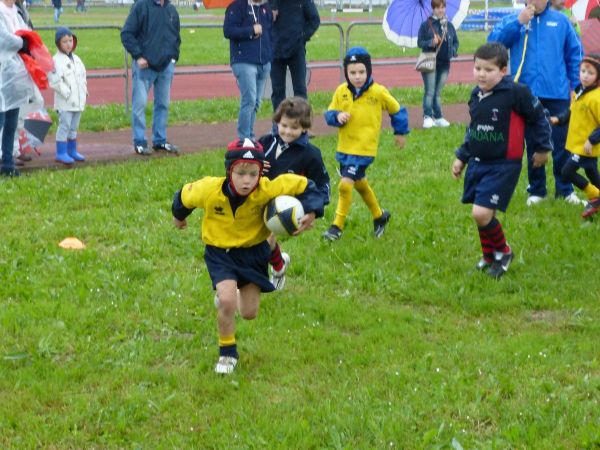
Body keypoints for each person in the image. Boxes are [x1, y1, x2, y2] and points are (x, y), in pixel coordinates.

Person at [171, 138, 325, 374]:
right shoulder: (209, 189)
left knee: (249, 313)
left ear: (260, 172)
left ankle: (233, 293)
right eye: (241, 173)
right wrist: (179, 216)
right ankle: (227, 353)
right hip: (220, 253)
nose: (247, 180)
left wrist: (313, 210)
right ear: (229, 170)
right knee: (226, 301)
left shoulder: (267, 189)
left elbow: (306, 186)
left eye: (253, 174)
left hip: (254, 253)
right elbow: (184, 196)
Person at [451, 43, 553, 278]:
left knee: (480, 213)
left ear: (503, 70)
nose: (481, 74)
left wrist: (542, 148)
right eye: (477, 68)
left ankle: (504, 252)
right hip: (478, 162)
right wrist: (462, 156)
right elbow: (474, 129)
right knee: (485, 214)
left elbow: (539, 118)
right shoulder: (475, 95)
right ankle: (489, 256)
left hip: (503, 165)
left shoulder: (517, 93)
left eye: (488, 70)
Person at [488, 0, 583, 206]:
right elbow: (493, 46)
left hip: (557, 93)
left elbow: (574, 55)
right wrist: (518, 23)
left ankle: (565, 189)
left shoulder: (561, 22)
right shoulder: (514, 20)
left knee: (561, 142)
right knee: (533, 142)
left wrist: (578, 87)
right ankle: (537, 189)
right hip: (527, 95)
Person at [322, 47, 409, 242]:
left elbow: (397, 109)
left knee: (345, 185)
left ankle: (336, 226)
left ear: (368, 70)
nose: (357, 76)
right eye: (352, 72)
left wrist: (400, 132)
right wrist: (337, 116)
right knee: (359, 184)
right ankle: (379, 216)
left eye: (361, 72)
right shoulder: (341, 91)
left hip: (364, 149)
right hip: (345, 148)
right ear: (346, 72)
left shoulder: (378, 92)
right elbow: (329, 114)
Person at [258, 97, 330, 290]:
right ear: (277, 122)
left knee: (262, 241)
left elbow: (322, 186)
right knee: (258, 240)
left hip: (286, 210)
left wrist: (312, 211)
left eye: (294, 128)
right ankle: (279, 264)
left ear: (305, 128)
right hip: (259, 201)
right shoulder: (264, 143)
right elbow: (242, 165)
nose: (287, 132)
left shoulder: (310, 154)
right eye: (284, 125)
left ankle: (258, 279)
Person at [121, 0, 181, 156]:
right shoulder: (141, 7)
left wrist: (173, 57)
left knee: (163, 104)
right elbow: (127, 33)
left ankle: (160, 140)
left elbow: (176, 36)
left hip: (166, 66)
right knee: (139, 104)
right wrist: (138, 56)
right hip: (145, 66)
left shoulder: (171, 10)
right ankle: (139, 141)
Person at [550, 54, 600, 218]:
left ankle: (594, 196)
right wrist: (560, 119)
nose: (585, 75)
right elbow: (572, 111)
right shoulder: (579, 91)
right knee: (592, 173)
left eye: (590, 73)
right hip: (577, 142)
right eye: (583, 71)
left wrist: (591, 140)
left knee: (567, 171)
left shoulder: (596, 98)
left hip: (586, 146)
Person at [223, 0, 273, 141]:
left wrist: (270, 55)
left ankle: (250, 134)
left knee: (256, 102)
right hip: (244, 60)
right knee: (249, 100)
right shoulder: (236, 7)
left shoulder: (266, 8)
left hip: (264, 61)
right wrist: (251, 31)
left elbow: (270, 33)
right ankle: (244, 137)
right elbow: (228, 30)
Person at [0, 0, 35, 177]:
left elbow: (28, 32)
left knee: (11, 120)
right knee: (1, 119)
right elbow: (3, 39)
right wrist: (22, 42)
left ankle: (7, 162)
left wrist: (27, 40)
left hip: (15, 72)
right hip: (2, 69)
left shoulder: (17, 11)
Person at [268, 0, 320, 112]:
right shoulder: (271, 2)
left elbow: (314, 19)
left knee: (300, 90)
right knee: (277, 91)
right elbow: (262, 20)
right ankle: (278, 126)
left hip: (297, 51)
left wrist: (302, 37)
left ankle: (302, 125)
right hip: (275, 51)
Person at [417, 0, 459, 129]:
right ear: (433, 9)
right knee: (430, 91)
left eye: (442, 7)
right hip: (430, 61)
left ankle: (439, 116)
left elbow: (456, 42)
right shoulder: (426, 25)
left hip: (445, 63)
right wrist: (431, 42)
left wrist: (453, 50)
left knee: (437, 92)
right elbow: (420, 43)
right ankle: (428, 116)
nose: (440, 10)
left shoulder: (449, 25)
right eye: (437, 8)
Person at [49, 27, 87, 165]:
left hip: (78, 101)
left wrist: (84, 91)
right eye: (65, 41)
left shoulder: (77, 59)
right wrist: (66, 92)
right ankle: (61, 152)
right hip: (65, 102)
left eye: (70, 40)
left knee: (74, 127)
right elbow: (54, 80)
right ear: (58, 43)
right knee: (64, 126)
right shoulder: (55, 60)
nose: (68, 44)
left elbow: (82, 76)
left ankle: (72, 150)